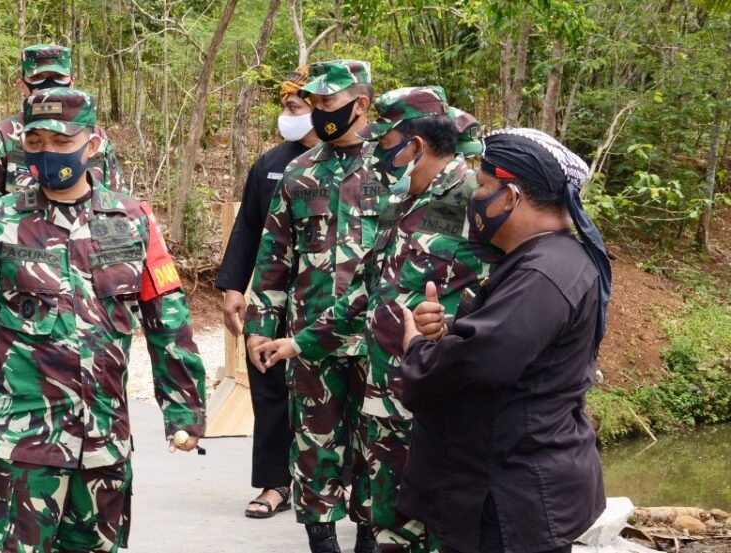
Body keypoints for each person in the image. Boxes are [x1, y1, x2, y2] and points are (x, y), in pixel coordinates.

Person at [0, 88, 207, 553]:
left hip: (104, 438)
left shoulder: (132, 220)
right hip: (20, 440)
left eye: (63, 142)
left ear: (93, 143)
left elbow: (168, 319)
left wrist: (183, 408)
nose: (48, 152)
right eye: (36, 142)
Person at [255, 87, 500, 553]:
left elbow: (510, 292)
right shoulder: (400, 199)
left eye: (385, 144)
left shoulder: (476, 199)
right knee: (389, 521)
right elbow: (366, 290)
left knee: (436, 521)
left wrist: (453, 323)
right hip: (383, 399)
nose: (377, 155)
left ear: (415, 146)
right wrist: (299, 342)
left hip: (434, 399)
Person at [397, 128, 611, 553]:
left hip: (512, 500)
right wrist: (446, 332)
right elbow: (508, 348)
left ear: (511, 196)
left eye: (482, 187)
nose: (475, 197)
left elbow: (478, 364)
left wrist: (417, 349)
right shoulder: (543, 261)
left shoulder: (541, 274)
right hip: (511, 488)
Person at [243, 59, 382, 553]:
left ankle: (370, 539)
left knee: (375, 449)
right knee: (314, 447)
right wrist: (260, 325)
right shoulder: (300, 171)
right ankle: (321, 541)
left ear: (359, 104)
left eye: (327, 102)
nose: (318, 111)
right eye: (315, 102)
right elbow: (274, 254)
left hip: (377, 339)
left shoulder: (395, 165)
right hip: (309, 340)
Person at [216, 66, 319, 520]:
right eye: (285, 106)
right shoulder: (272, 163)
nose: (288, 113)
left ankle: (335, 485)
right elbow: (248, 228)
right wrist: (233, 287)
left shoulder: (363, 162)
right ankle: (276, 482)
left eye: (296, 105)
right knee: (269, 384)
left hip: (329, 298)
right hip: (272, 296)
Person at [0, 43, 126, 216]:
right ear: (22, 86)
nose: (49, 85)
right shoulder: (0, 136)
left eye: (58, 77)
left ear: (72, 83)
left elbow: (117, 202)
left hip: (87, 229)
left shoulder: (93, 135)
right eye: (38, 78)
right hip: (17, 231)